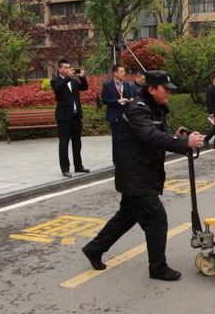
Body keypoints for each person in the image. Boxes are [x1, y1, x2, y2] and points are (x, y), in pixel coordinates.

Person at [82, 70, 204, 281]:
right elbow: (150, 135)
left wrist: (176, 137)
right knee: (157, 220)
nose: (169, 93)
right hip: (136, 175)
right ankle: (158, 268)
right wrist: (185, 143)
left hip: (142, 172)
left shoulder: (153, 107)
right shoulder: (138, 109)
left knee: (127, 216)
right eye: (165, 89)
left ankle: (94, 249)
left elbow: (155, 135)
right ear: (152, 89)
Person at [51, 59, 90, 178]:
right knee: (64, 143)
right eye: (66, 68)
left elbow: (84, 87)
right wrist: (68, 77)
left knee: (77, 142)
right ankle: (65, 169)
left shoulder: (73, 81)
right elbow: (58, 89)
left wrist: (82, 77)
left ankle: (78, 166)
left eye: (69, 67)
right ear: (60, 69)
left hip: (76, 116)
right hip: (64, 117)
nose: (68, 69)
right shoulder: (55, 81)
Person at [101, 64, 135, 163]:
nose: (124, 73)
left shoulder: (126, 84)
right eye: (121, 71)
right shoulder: (108, 85)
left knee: (127, 137)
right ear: (115, 73)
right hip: (115, 115)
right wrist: (117, 101)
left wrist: (130, 99)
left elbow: (130, 96)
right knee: (116, 138)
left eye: (124, 71)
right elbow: (104, 100)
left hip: (126, 115)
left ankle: (126, 157)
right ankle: (116, 160)